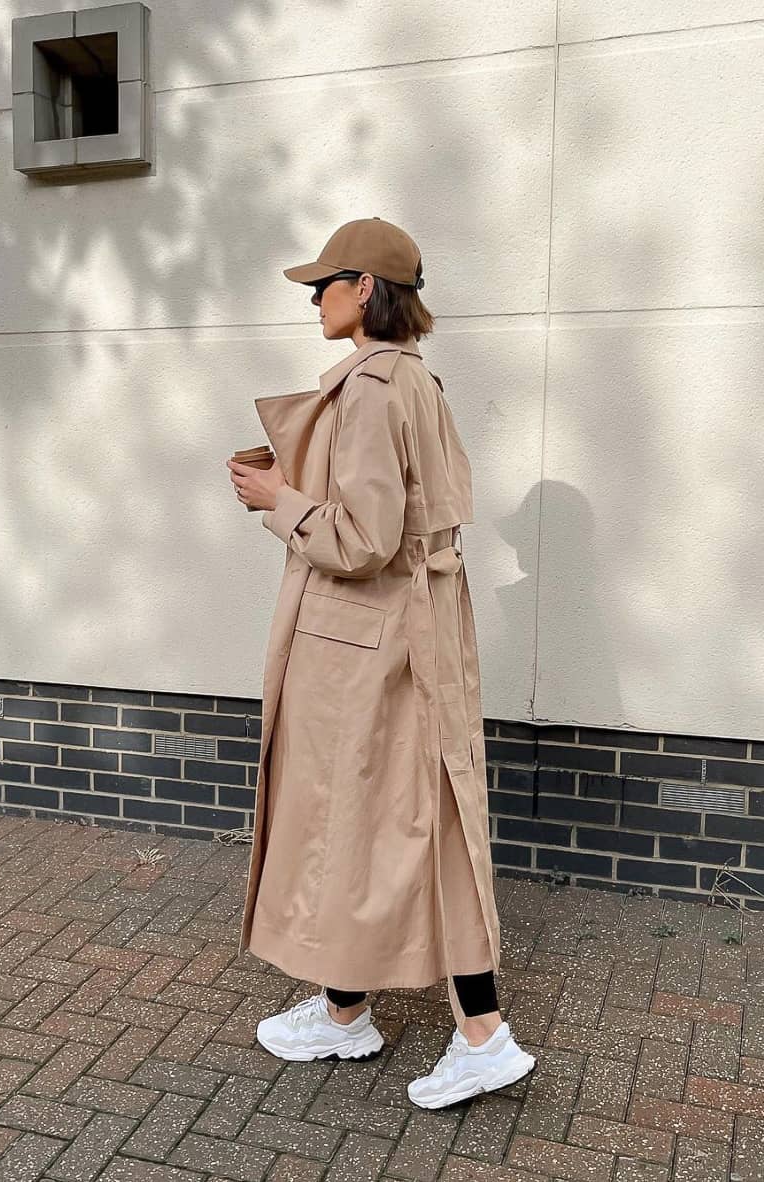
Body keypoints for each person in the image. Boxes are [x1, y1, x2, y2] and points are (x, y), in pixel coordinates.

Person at [226, 217, 535, 1108]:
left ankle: (481, 1035)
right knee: (375, 818)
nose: (312, 298)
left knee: (411, 821)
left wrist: (278, 499)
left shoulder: (371, 390)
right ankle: (343, 1007)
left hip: (369, 642)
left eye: (324, 283)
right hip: (407, 631)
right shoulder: (416, 383)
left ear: (367, 289)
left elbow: (363, 539)